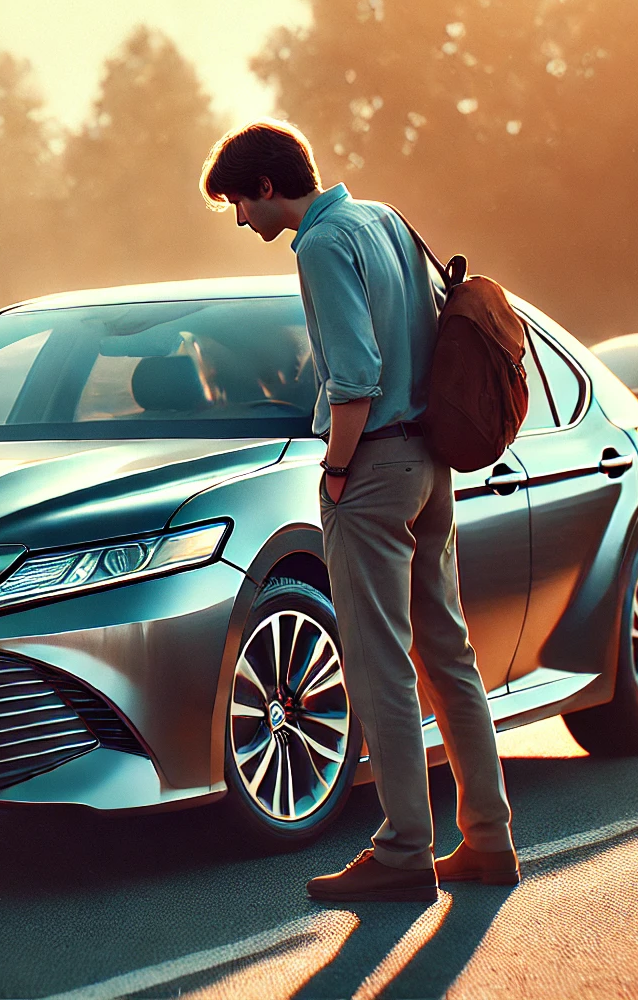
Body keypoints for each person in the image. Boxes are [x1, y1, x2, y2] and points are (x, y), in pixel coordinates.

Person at [199, 119, 518, 902]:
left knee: (378, 662)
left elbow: (354, 375)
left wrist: (336, 470)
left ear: (269, 186)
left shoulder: (319, 242)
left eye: (241, 202)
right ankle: (489, 840)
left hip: (373, 466)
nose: (243, 220)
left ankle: (405, 850)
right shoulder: (384, 218)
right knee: (447, 653)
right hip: (431, 461)